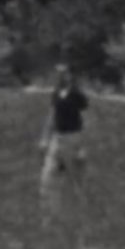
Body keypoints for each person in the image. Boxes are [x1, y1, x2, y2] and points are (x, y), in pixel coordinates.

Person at [40, 65, 90, 200]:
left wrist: (82, 146)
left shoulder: (77, 95)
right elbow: (51, 116)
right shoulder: (55, 94)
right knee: (48, 174)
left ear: (69, 76)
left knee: (75, 177)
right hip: (57, 138)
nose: (60, 77)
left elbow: (85, 120)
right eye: (58, 74)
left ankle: (81, 204)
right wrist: (45, 138)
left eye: (63, 74)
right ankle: (50, 207)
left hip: (73, 137)